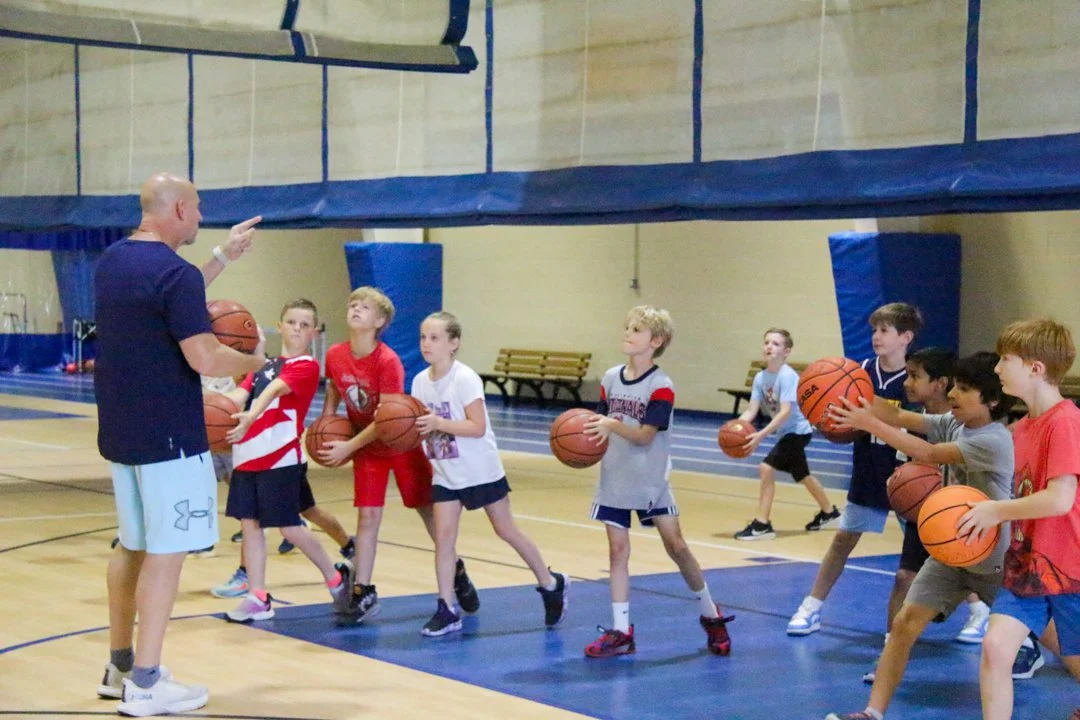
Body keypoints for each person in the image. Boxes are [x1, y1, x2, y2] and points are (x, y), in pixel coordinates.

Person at [95, 173, 265, 717]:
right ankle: (146, 685)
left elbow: (171, 293)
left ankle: (119, 667)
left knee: (132, 547)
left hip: (123, 432)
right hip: (170, 436)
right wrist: (257, 364)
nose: (200, 217)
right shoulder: (174, 273)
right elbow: (207, 357)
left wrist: (223, 255)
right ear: (181, 208)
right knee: (167, 556)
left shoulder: (113, 261)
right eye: (198, 209)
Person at [823, 351, 1014, 720]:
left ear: (991, 400)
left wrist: (869, 424)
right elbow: (896, 415)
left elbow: (927, 452)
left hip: (994, 560)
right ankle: (872, 713)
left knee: (1055, 636)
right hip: (949, 555)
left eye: (966, 388)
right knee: (905, 624)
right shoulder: (955, 423)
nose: (954, 394)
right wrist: (854, 393)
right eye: (954, 385)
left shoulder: (993, 440)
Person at [581, 306, 734, 658]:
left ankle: (712, 615)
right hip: (614, 478)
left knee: (677, 547)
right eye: (627, 326)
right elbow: (601, 426)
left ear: (656, 341)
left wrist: (611, 425)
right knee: (617, 552)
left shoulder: (661, 386)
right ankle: (621, 632)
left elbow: (646, 436)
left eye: (637, 329)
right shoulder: (609, 378)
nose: (628, 333)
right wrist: (583, 442)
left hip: (651, 481)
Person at [319, 287, 477, 624]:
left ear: (379, 321)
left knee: (426, 512)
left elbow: (387, 419)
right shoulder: (335, 354)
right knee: (367, 518)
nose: (356, 309)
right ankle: (363, 589)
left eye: (365, 307)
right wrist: (328, 420)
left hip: (399, 442)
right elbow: (334, 386)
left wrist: (349, 445)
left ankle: (457, 569)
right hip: (368, 448)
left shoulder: (387, 360)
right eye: (352, 304)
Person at [410, 311, 568, 635]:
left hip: (480, 469)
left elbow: (477, 427)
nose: (427, 343)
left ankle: (551, 583)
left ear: (454, 343)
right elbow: (420, 426)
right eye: (423, 337)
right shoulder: (419, 382)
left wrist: (438, 424)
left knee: (506, 530)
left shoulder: (464, 378)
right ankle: (446, 607)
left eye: (435, 338)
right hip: (445, 471)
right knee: (443, 541)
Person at [956, 319, 1080, 720]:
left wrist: (995, 511)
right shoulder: (1021, 428)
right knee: (995, 648)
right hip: (1027, 564)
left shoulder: (1065, 422)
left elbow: (1060, 499)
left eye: (1005, 359)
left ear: (1035, 368)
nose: (996, 369)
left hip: (1070, 567)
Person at [209, 299, 352, 622]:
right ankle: (257, 596)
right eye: (291, 322)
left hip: (280, 459)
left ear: (314, 332)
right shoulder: (263, 366)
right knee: (251, 527)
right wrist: (206, 404)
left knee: (290, 528)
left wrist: (250, 417)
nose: (297, 329)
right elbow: (237, 397)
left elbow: (273, 391)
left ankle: (336, 578)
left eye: (305, 325)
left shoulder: (306, 365)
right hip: (246, 457)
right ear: (280, 325)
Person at [787, 303, 922, 639]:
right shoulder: (857, 372)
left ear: (906, 337)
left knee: (939, 545)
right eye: (874, 330)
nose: (876, 336)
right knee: (843, 540)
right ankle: (812, 606)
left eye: (885, 330)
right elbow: (836, 426)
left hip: (912, 476)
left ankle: (979, 609)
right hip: (869, 471)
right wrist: (832, 427)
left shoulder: (917, 380)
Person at [733, 327, 839, 540]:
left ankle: (762, 525)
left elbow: (785, 412)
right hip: (785, 432)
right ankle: (830, 513)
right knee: (803, 475)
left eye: (776, 343)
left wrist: (760, 435)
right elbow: (751, 410)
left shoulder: (787, 376)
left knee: (766, 468)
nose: (769, 346)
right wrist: (735, 427)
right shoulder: (761, 378)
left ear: (786, 351)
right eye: (767, 342)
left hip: (798, 432)